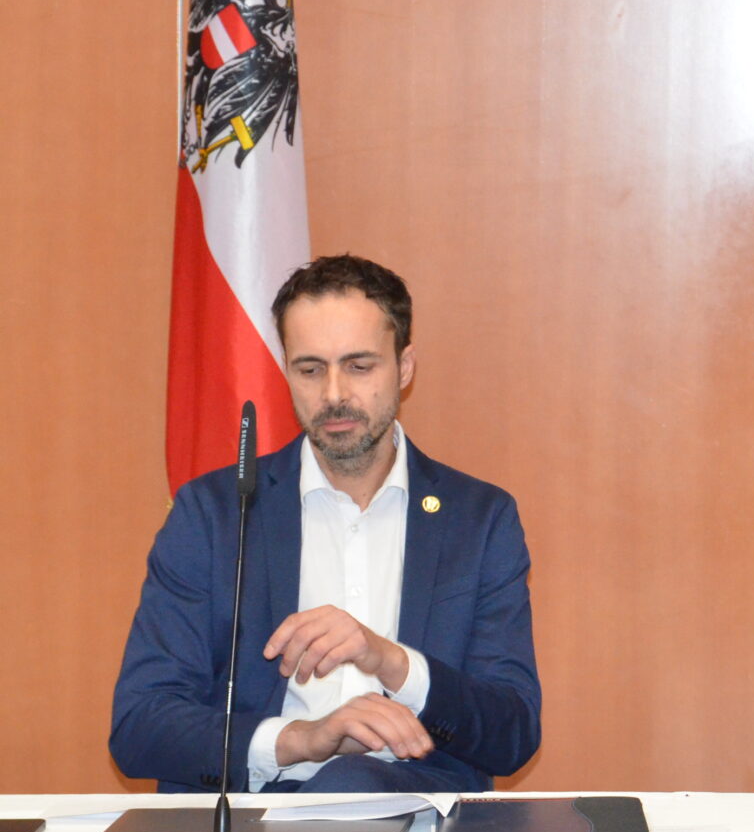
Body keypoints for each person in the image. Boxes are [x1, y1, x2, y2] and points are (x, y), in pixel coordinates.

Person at [111, 255, 540, 793]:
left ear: (405, 367)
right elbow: (141, 725)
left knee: (356, 782)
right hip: (253, 818)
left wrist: (391, 661)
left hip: (414, 817)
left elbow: (512, 733)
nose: (334, 394)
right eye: (310, 369)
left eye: (359, 366)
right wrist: (302, 739)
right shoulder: (215, 513)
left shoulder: (478, 519)